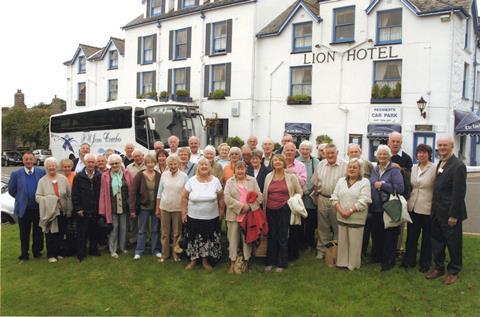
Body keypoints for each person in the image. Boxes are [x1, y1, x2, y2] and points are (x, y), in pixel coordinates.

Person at [426, 136, 467, 285]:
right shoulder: (441, 163)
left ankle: (454, 270)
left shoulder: (458, 166)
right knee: (437, 242)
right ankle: (438, 267)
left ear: (452, 146)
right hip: (437, 211)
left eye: (445, 145)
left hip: (450, 213)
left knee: (453, 243)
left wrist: (454, 215)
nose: (442, 148)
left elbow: (458, 193)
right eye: (440, 145)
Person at [181, 158, 224, 271]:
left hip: (211, 217)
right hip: (193, 217)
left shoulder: (215, 181)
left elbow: (221, 198)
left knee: (208, 239)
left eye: (206, 165)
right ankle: (193, 261)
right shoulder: (191, 181)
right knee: (193, 238)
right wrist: (184, 213)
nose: (204, 166)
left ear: (210, 167)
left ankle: (205, 261)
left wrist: (221, 211)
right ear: (198, 167)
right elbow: (184, 198)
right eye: (201, 165)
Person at [263, 154, 303, 272]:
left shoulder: (291, 177)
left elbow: (299, 192)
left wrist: (292, 201)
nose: (277, 162)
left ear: (284, 163)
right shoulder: (268, 176)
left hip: (284, 209)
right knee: (271, 235)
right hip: (270, 209)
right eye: (275, 160)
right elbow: (266, 193)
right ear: (272, 163)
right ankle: (270, 261)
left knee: (283, 236)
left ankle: (282, 263)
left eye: (280, 160)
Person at [331, 158, 372, 270]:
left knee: (355, 242)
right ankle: (342, 262)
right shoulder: (341, 181)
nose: (352, 169)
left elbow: (364, 200)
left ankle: (353, 265)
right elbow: (334, 197)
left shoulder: (365, 182)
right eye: (350, 167)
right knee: (343, 241)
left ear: (360, 169)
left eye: (355, 167)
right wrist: (341, 210)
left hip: (356, 217)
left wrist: (349, 211)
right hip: (341, 216)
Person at [368, 145, 404, 271]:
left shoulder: (394, 170)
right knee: (377, 234)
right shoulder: (375, 169)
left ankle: (389, 261)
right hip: (376, 207)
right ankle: (377, 256)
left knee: (389, 235)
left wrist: (382, 185)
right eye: (380, 154)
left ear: (389, 156)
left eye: (385, 154)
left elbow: (400, 188)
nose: (382, 156)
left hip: (388, 207)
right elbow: (372, 183)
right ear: (376, 156)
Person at [224, 161, 263, 273]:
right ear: (234, 170)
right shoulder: (229, 182)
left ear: (246, 169)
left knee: (247, 240)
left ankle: (246, 262)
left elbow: (259, 196)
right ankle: (232, 262)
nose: (240, 171)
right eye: (238, 168)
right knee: (233, 240)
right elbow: (227, 198)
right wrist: (241, 207)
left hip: (249, 216)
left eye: (242, 168)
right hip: (233, 216)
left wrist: (250, 207)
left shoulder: (252, 180)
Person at [402, 144, 436, 272]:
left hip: (427, 207)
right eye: (419, 152)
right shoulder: (414, 168)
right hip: (413, 207)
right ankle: (409, 260)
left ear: (429, 154)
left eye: (424, 152)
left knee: (427, 238)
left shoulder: (434, 168)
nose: (421, 155)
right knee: (411, 236)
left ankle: (425, 263)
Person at [311, 143, 347, 259]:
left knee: (337, 226)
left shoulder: (345, 166)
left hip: (337, 201)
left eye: (332, 153)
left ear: (337, 153)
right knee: (323, 226)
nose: (330, 155)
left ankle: (335, 250)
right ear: (324, 153)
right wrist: (316, 197)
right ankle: (322, 250)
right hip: (322, 198)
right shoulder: (321, 165)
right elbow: (316, 183)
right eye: (328, 153)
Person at [8, 152, 46, 261]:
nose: (29, 161)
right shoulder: (16, 174)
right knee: (24, 233)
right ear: (23, 160)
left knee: (38, 232)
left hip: (38, 208)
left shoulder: (41, 172)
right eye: (26, 159)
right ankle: (24, 254)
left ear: (34, 160)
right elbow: (11, 190)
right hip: (24, 209)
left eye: (30, 159)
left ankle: (37, 252)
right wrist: (21, 197)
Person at [36, 157, 72, 263]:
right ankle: (51, 255)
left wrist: (69, 210)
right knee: (50, 234)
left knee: (61, 232)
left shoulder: (63, 179)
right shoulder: (42, 181)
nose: (52, 167)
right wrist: (49, 199)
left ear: (57, 167)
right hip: (50, 213)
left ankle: (59, 252)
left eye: (53, 165)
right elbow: (37, 197)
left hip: (62, 211)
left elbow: (69, 196)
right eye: (49, 166)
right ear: (46, 167)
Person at [98, 154, 133, 258]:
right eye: (112, 164)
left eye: (116, 163)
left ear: (120, 163)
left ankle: (122, 247)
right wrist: (102, 209)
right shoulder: (105, 176)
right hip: (112, 207)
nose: (114, 165)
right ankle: (112, 250)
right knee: (113, 228)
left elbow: (131, 190)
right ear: (109, 164)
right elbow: (102, 193)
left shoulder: (127, 173)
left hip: (124, 206)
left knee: (124, 228)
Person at [156, 155, 188, 262]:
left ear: (178, 164)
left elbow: (186, 195)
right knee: (164, 232)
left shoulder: (184, 176)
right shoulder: (164, 175)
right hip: (164, 207)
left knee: (176, 233)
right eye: (171, 164)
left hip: (178, 208)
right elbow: (159, 193)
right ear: (167, 165)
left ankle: (175, 254)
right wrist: (157, 208)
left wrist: (185, 209)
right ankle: (164, 254)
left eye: (175, 164)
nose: (173, 166)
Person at [129, 154, 162, 260]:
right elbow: (133, 192)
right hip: (143, 207)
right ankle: (139, 251)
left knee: (155, 230)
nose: (150, 164)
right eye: (148, 163)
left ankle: (155, 250)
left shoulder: (159, 175)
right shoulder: (139, 175)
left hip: (156, 207)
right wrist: (132, 208)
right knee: (142, 230)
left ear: (155, 163)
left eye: (152, 162)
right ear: (145, 164)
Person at [72, 153, 102, 261]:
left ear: (95, 164)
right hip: (83, 210)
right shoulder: (79, 177)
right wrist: (78, 208)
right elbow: (75, 194)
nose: (90, 164)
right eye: (88, 162)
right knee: (82, 233)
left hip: (95, 209)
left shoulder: (99, 176)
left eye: (92, 162)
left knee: (94, 231)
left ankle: (93, 249)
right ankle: (81, 252)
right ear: (85, 163)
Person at [388, 132, 413, 255]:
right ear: (389, 142)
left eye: (398, 141)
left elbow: (409, 177)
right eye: (393, 141)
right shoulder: (383, 155)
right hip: (385, 195)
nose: (395, 143)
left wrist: (399, 168)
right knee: (386, 223)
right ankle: (385, 249)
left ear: (401, 143)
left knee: (398, 225)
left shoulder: (407, 158)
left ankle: (397, 249)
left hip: (400, 196)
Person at [346, 143, 374, 257]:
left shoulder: (367, 164)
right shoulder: (346, 164)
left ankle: (362, 251)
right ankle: (348, 250)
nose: (354, 154)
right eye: (351, 152)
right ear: (348, 154)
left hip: (362, 199)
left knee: (363, 226)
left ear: (360, 152)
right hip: (348, 199)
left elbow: (373, 177)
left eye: (356, 152)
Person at [283, 142, 307, 260]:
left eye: (291, 150)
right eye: (287, 150)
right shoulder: (279, 163)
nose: (289, 152)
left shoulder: (300, 166)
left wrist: (293, 174)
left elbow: (303, 182)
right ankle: (283, 251)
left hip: (294, 201)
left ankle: (293, 253)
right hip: (281, 202)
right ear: (284, 151)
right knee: (282, 228)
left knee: (294, 227)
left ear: (295, 152)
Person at [297, 140, 320, 251]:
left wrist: (307, 190)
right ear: (300, 150)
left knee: (310, 221)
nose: (305, 151)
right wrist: (302, 190)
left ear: (311, 150)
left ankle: (310, 243)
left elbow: (317, 177)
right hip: (299, 196)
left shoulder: (316, 162)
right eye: (303, 149)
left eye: (307, 149)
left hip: (311, 196)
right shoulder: (296, 161)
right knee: (300, 221)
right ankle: (300, 242)